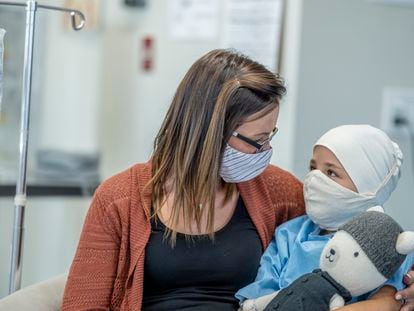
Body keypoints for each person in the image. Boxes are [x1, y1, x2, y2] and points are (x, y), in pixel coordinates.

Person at [61, 49, 306, 310]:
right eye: (258, 140)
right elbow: (83, 304)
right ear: (210, 132)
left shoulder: (282, 194)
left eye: (270, 136)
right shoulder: (118, 199)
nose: (266, 151)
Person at [236, 125, 414, 311]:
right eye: (312, 168)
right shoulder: (289, 235)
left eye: (331, 173)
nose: (314, 179)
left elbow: (388, 303)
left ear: (368, 183)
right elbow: (259, 297)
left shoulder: (390, 245)